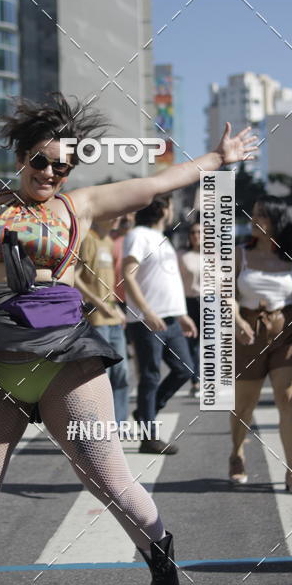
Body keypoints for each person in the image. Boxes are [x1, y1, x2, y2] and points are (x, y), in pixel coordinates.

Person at [0, 78, 258, 585]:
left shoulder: (80, 205)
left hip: (67, 355)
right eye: (42, 163)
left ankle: (164, 575)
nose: (51, 175)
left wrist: (218, 159)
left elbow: (157, 181)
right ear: (21, 158)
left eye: (62, 168)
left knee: (110, 481)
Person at [231, 197, 292, 493]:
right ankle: (237, 453)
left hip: (289, 335)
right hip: (248, 334)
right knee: (243, 404)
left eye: (262, 216)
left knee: (288, 400)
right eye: (254, 215)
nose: (255, 220)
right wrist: (237, 321)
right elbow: (226, 293)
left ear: (277, 220)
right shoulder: (239, 254)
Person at [123, 195, 198, 455]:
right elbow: (127, 275)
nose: (173, 210)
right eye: (170, 206)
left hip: (170, 319)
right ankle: (149, 437)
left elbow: (168, 281)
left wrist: (180, 314)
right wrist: (146, 311)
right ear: (162, 209)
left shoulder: (163, 239)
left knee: (185, 369)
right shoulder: (139, 235)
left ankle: (147, 411)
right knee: (150, 377)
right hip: (146, 321)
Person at [75, 216, 129, 425]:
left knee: (122, 373)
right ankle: (97, 424)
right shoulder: (89, 239)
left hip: (113, 317)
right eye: (114, 214)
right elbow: (76, 277)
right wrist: (99, 303)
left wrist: (116, 307)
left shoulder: (109, 242)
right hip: (96, 319)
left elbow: (109, 283)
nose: (118, 219)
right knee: (100, 378)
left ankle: (120, 424)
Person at [178, 221, 202, 398]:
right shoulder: (182, 255)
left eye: (200, 232)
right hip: (189, 301)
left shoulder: (216, 256)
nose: (196, 236)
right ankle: (196, 381)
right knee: (192, 344)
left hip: (210, 301)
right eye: (193, 232)